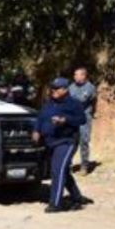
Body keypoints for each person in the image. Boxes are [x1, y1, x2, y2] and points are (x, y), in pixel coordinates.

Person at [34, 78, 89, 213]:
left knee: (57, 170)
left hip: (66, 141)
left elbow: (82, 119)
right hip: (50, 142)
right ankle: (77, 197)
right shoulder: (48, 104)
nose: (54, 91)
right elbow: (40, 118)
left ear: (65, 89)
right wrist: (36, 130)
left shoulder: (73, 104)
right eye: (53, 88)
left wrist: (65, 120)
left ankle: (55, 203)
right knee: (63, 170)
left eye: (57, 88)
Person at [68, 67, 98, 174]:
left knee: (84, 141)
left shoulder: (90, 88)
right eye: (75, 75)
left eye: (78, 75)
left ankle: (84, 165)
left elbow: (82, 101)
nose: (75, 77)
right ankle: (68, 165)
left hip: (84, 118)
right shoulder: (71, 87)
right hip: (71, 118)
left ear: (84, 76)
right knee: (71, 141)